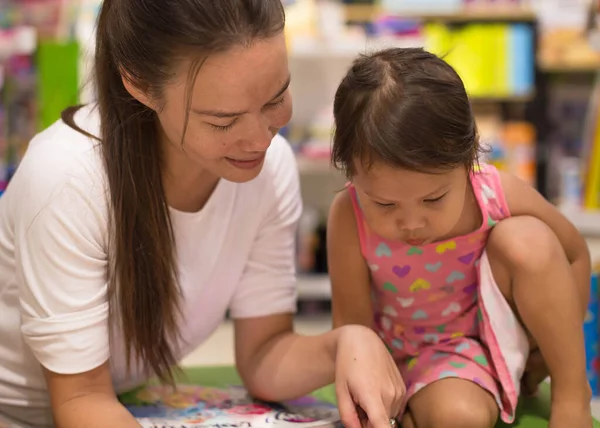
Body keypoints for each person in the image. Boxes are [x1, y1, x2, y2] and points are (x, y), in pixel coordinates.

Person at [0, 1, 405, 427]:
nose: (258, 139)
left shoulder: (270, 171)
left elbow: (264, 357)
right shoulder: (66, 179)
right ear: (139, 85)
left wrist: (345, 344)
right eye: (223, 121)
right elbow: (81, 401)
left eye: (276, 98)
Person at [327, 47, 593, 428]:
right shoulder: (348, 215)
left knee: (529, 240)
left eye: (433, 199)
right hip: (398, 357)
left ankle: (573, 397)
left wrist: (552, 359)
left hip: (481, 344)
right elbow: (352, 332)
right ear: (351, 174)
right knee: (458, 417)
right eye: (385, 204)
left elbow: (573, 255)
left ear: (468, 160)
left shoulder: (495, 192)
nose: (412, 222)